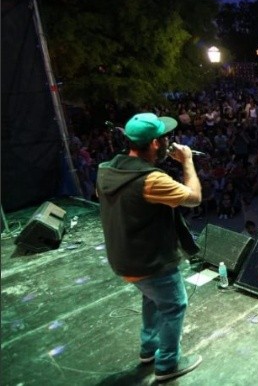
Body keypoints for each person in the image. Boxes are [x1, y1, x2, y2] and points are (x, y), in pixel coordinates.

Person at [96, 112, 203, 381]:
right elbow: (194, 198)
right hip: (150, 261)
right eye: (165, 137)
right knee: (175, 305)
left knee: (153, 299)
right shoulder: (151, 180)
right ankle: (167, 364)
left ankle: (149, 348)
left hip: (124, 258)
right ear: (155, 143)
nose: (169, 141)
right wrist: (188, 162)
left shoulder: (105, 170)